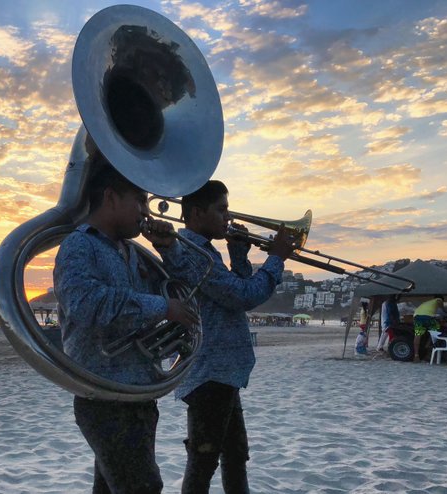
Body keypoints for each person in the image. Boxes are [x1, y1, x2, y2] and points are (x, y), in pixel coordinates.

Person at [53, 159, 197, 494]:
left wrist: (169, 250)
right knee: (143, 486)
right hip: (103, 398)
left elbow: (185, 293)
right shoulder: (79, 246)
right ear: (111, 197)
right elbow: (87, 304)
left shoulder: (132, 252)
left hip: (137, 395)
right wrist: (163, 307)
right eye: (140, 200)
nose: (146, 212)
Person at [155, 180, 295, 494]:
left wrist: (239, 254)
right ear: (195, 213)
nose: (227, 217)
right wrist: (277, 258)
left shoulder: (204, 252)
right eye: (221, 209)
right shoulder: (192, 254)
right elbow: (243, 296)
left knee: (235, 456)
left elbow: (238, 293)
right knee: (203, 463)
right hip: (210, 373)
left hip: (223, 371)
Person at [413, 295, 447, 361]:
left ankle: (416, 355)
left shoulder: (427, 303)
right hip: (427, 317)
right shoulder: (438, 300)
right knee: (437, 331)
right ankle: (429, 348)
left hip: (417, 317)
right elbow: (440, 303)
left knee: (418, 335)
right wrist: (445, 311)